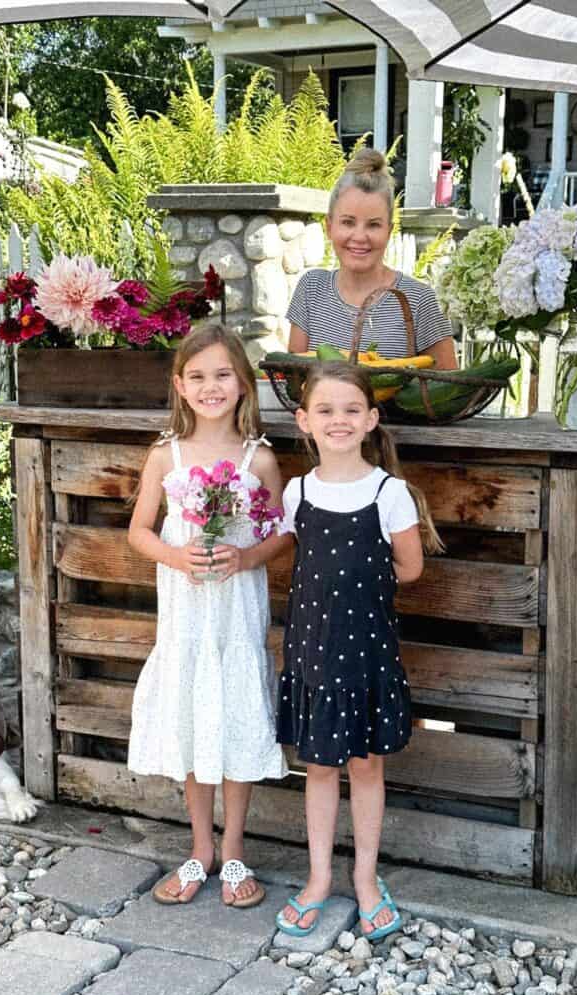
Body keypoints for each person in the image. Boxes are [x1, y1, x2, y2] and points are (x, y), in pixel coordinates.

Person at [275, 361, 443, 939]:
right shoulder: (297, 493)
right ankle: (319, 878)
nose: (338, 420)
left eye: (351, 410)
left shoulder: (388, 492)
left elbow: (411, 567)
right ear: (304, 422)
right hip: (315, 655)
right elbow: (292, 552)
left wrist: (359, 585)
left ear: (371, 419)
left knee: (366, 766)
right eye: (325, 410)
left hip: (367, 656)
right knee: (319, 767)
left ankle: (366, 878)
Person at [127, 323, 290, 909]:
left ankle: (236, 849)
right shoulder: (164, 454)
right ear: (179, 384)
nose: (211, 386)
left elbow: (280, 535)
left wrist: (245, 554)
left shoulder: (260, 460)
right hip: (187, 611)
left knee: (236, 711)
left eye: (223, 375)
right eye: (197, 376)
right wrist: (176, 555)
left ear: (243, 384)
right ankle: (200, 849)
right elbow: (139, 532)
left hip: (237, 608)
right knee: (196, 716)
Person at [288, 148, 458, 370]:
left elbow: (450, 390)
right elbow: (292, 380)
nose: (359, 237)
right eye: (348, 222)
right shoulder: (311, 289)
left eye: (373, 225)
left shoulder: (418, 300)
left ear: (389, 230)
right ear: (329, 227)